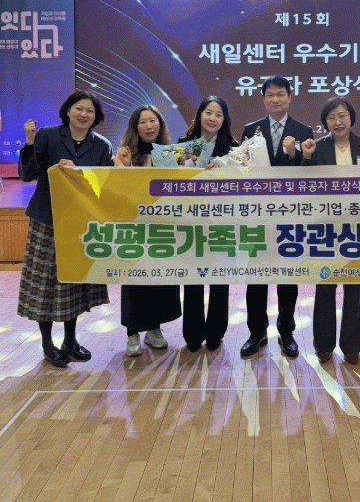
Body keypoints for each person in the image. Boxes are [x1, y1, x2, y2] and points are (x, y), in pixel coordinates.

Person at [17, 90, 114, 368]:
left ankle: (70, 340)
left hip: (81, 222)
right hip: (47, 219)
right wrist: (29, 143)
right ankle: (47, 343)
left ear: (96, 117)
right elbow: (27, 174)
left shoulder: (102, 145)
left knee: (74, 283)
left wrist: (78, 172)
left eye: (90, 111)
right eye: (79, 108)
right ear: (68, 111)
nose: (84, 114)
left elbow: (105, 185)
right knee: (45, 284)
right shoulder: (47, 136)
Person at [301, 97, 360, 364]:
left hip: (358, 226)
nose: (338, 121)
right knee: (325, 285)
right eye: (332, 117)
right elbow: (305, 184)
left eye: (342, 115)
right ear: (325, 122)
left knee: (355, 288)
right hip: (325, 226)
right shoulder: (317, 147)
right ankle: (323, 344)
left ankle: (351, 345)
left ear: (351, 117)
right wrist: (306, 158)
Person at [240, 76, 313, 358]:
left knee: (287, 278)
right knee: (255, 277)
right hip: (257, 215)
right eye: (270, 95)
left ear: (289, 97)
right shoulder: (251, 129)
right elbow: (244, 168)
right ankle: (256, 332)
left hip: (288, 215)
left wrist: (294, 154)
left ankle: (287, 332)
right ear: (263, 99)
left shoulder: (303, 130)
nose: (275, 99)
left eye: (280, 94)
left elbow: (308, 173)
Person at [117, 105, 182, 357]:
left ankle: (154, 330)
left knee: (159, 279)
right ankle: (132, 333)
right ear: (135, 127)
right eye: (142, 122)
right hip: (135, 227)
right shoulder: (126, 153)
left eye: (153, 120)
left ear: (160, 124)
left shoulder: (170, 153)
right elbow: (116, 188)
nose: (148, 126)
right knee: (135, 281)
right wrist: (124, 166)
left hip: (163, 227)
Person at [178, 96, 239, 351]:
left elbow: (242, 186)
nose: (212, 118)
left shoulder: (233, 148)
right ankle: (192, 333)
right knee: (192, 279)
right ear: (199, 115)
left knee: (219, 278)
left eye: (218, 114)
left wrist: (225, 172)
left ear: (224, 120)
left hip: (222, 222)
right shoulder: (183, 145)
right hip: (190, 222)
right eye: (208, 112)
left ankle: (216, 331)